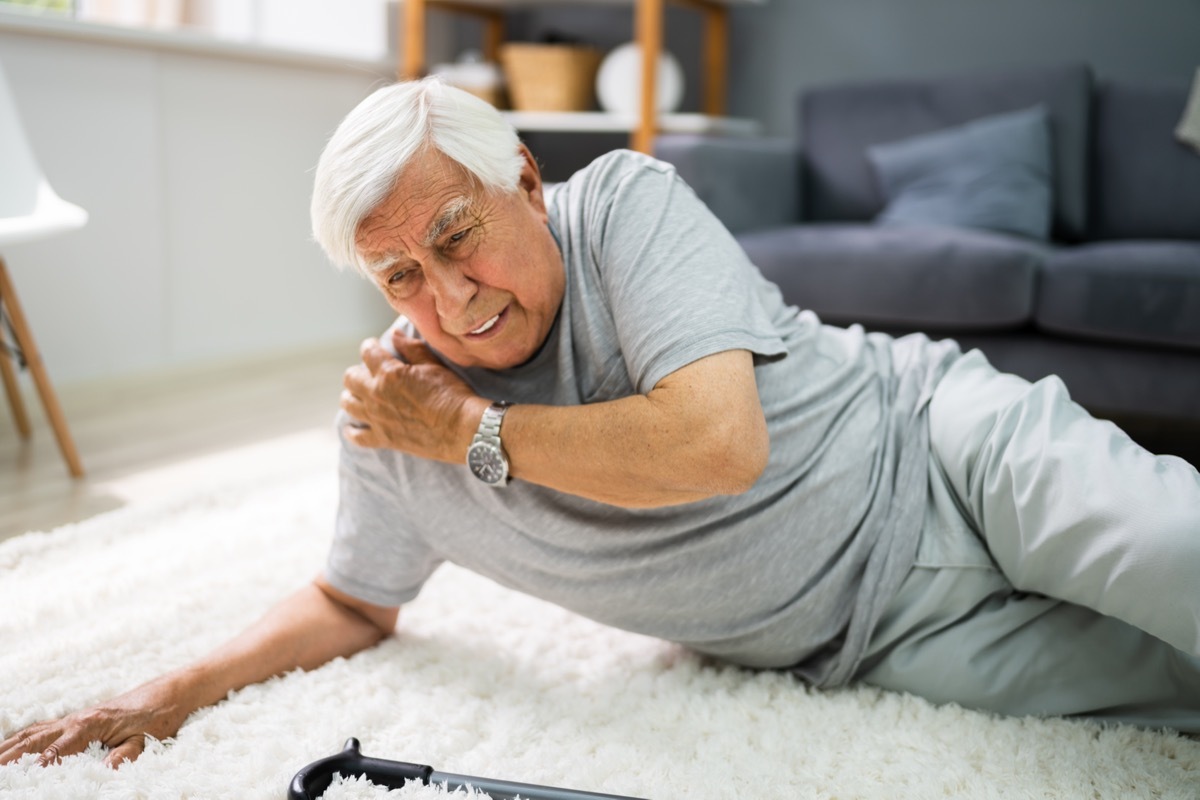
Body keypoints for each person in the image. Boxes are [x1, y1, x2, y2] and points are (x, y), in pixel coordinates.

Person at [3, 78, 1198, 771]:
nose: (451, 299)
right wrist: (171, 690)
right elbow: (353, 600)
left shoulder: (622, 206)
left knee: (1175, 560)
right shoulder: (394, 413)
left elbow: (719, 443)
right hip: (869, 637)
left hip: (941, 447)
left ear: (526, 178)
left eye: (458, 234)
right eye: (401, 275)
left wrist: (474, 434)